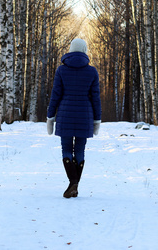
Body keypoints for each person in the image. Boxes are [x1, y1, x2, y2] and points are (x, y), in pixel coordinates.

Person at [47, 38, 102, 198]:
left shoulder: (61, 70)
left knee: (66, 149)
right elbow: (95, 98)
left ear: (70, 50)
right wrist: (97, 120)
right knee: (79, 150)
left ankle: (72, 183)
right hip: (85, 115)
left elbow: (55, 95)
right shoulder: (92, 71)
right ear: (85, 50)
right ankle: (74, 185)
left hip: (65, 115)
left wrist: (50, 116)